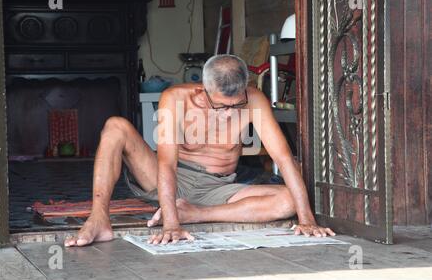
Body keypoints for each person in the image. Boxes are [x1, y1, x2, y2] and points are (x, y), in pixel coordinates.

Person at [64, 54, 335, 247]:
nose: (229, 112)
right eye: (221, 105)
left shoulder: (254, 100)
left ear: (244, 89)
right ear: (204, 90)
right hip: (168, 178)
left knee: (287, 201)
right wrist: (171, 224)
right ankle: (99, 218)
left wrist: (307, 219)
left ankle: (194, 213)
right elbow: (167, 164)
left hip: (216, 188)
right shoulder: (176, 97)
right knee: (116, 126)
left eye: (235, 105)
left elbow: (284, 158)